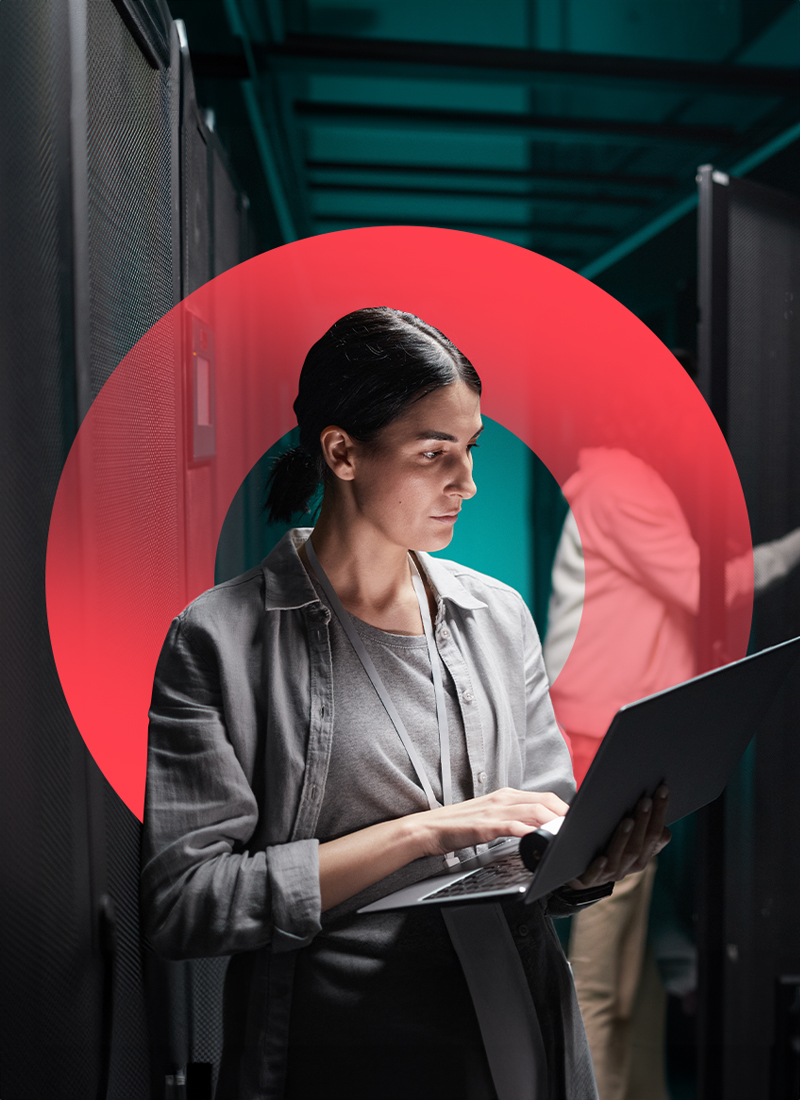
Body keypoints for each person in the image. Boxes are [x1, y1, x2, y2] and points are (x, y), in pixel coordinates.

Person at [141, 308, 670, 1100]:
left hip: (510, 1046)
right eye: (435, 454)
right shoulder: (217, 640)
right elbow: (186, 905)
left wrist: (587, 865)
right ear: (342, 452)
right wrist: (424, 833)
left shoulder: (500, 618)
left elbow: (536, 832)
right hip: (332, 1056)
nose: (467, 483)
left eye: (471, 450)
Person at [543, 444, 800, 1100]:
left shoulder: (626, 480)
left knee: (637, 977)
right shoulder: (620, 481)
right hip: (605, 741)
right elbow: (702, 589)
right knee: (601, 980)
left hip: (626, 739)